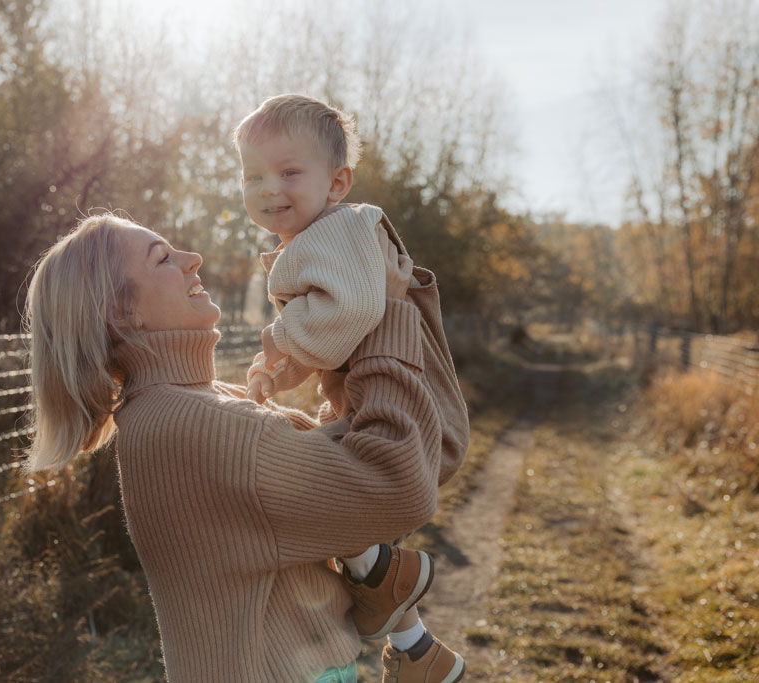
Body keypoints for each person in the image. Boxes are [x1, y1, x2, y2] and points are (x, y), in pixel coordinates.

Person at [23, 212, 465, 682]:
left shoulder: (193, 405)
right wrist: (388, 315)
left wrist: (343, 332)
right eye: (163, 258)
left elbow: (348, 458)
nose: (193, 259)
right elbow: (394, 483)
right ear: (121, 311)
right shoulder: (186, 425)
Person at [234, 93, 469, 681]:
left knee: (303, 480)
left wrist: (279, 336)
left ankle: (389, 582)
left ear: (336, 182)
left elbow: (355, 311)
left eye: (289, 172)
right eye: (253, 175)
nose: (268, 188)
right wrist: (281, 368)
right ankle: (416, 649)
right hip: (393, 402)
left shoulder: (336, 233)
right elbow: (339, 328)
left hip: (410, 413)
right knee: (319, 489)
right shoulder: (320, 240)